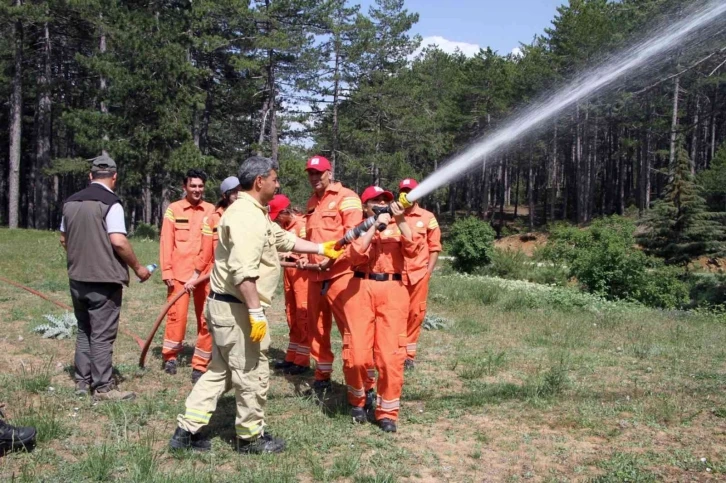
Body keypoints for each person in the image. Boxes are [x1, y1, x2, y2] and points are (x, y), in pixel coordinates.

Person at [169, 156, 344, 454]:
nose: (278, 183)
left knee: (219, 372)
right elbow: (244, 273)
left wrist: (320, 247)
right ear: (260, 181)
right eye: (274, 178)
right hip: (237, 309)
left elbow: (281, 239)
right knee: (252, 372)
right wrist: (255, 314)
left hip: (226, 307)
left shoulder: (253, 212)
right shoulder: (246, 217)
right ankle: (250, 437)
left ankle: (186, 431)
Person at [59, 154, 151, 401]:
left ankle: (82, 381)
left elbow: (63, 239)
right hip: (104, 280)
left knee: (84, 330)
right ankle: (103, 388)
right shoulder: (112, 203)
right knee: (101, 334)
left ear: (90, 176)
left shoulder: (70, 202)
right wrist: (138, 268)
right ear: (114, 177)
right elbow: (118, 241)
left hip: (77, 278)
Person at [343, 186, 424, 433]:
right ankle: (358, 399)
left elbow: (415, 250)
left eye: (384, 200)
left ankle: (387, 412)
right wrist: (372, 227)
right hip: (359, 288)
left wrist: (399, 220)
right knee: (356, 355)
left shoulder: (401, 225)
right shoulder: (358, 228)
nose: (380, 203)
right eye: (374, 201)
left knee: (390, 357)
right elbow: (354, 256)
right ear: (365, 206)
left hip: (393, 290)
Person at [302, 155, 364, 396]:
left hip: (340, 275)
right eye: (310, 173)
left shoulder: (347, 198)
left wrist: (332, 259)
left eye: (319, 173)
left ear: (330, 172)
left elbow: (354, 236)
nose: (314, 177)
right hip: (315, 277)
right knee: (316, 330)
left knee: (350, 330)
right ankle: (322, 378)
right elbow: (311, 238)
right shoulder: (311, 202)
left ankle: (359, 383)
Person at [182, 176, 241, 383]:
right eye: (234, 191)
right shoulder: (213, 219)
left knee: (238, 324)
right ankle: (199, 365)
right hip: (216, 280)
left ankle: (233, 366)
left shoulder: (247, 215)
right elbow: (205, 251)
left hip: (241, 280)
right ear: (225, 195)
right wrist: (196, 275)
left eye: (240, 190)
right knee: (210, 322)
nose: (238, 194)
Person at [159, 169, 215, 381]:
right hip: (180, 274)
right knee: (176, 317)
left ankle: (202, 360)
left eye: (200, 186)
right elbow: (166, 240)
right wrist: (167, 270)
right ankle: (171, 357)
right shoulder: (174, 209)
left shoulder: (211, 210)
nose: (197, 190)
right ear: (185, 187)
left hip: (205, 274)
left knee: (206, 318)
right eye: (193, 186)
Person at [398, 178, 442, 370]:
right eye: (404, 190)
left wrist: (428, 272)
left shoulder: (427, 217)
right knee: (394, 315)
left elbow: (435, 246)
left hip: (418, 275)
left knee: (415, 314)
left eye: (412, 190)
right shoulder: (393, 215)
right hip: (396, 276)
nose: (408, 194)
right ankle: (393, 351)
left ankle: (408, 356)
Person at [269, 194, 311, 375]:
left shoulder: (301, 225)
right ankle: (292, 356)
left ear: (286, 211)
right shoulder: (285, 227)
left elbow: (308, 251)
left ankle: (302, 361)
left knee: (302, 315)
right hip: (289, 275)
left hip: (302, 277)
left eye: (279, 215)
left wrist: (291, 255)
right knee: (291, 314)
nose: (277, 219)